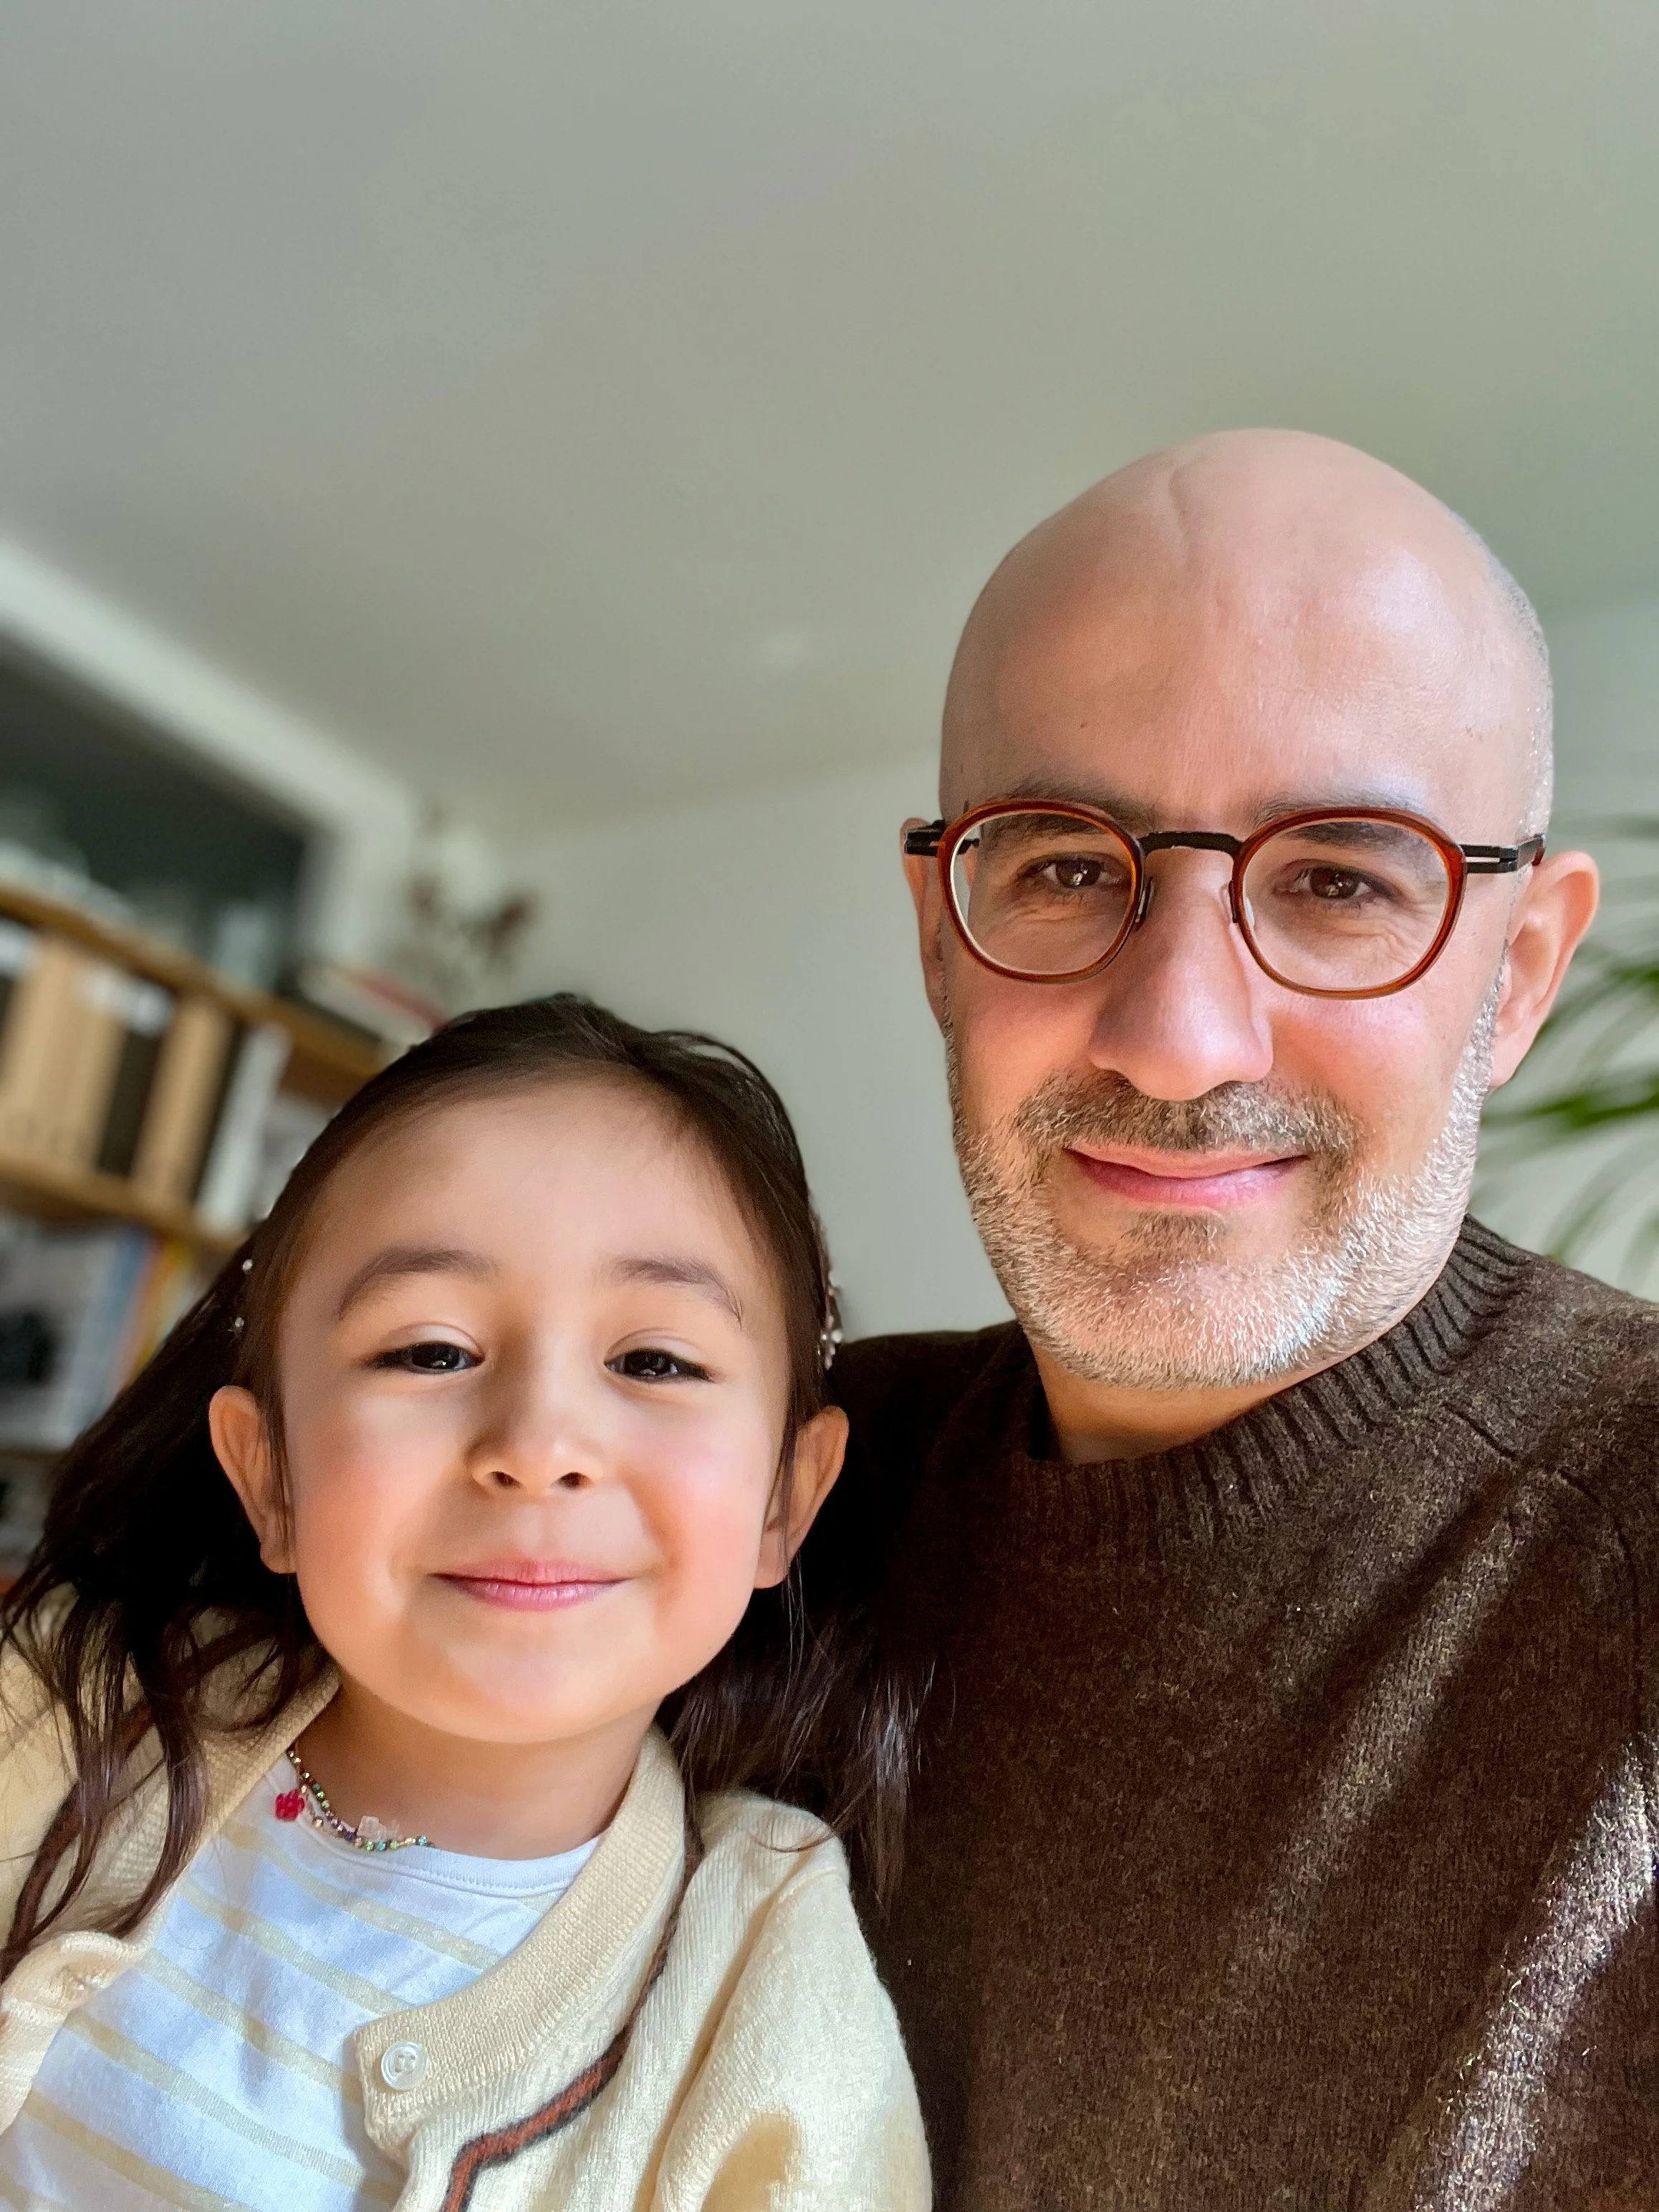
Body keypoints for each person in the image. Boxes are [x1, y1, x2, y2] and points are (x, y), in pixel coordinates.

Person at [816, 430, 1658, 2208]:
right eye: (1059, 861)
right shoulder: (740, 1489)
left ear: (1514, 977)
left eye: (1341, 878)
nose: (1176, 1032)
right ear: (941, 934)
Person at [0, 997, 928, 2211]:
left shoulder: (765, 1979)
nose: (539, 1446)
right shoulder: (69, 1704)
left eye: (654, 1361)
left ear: (783, 1505)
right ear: (268, 1475)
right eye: (430, 1352)